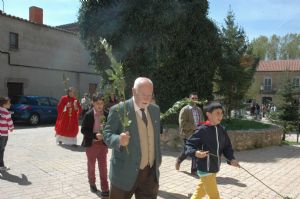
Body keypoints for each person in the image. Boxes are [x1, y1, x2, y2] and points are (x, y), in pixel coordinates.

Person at [103, 77, 162, 199]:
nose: (147, 98)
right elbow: (107, 134)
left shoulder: (155, 110)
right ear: (134, 91)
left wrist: (158, 161)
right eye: (143, 94)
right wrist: (118, 140)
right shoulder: (119, 110)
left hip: (150, 174)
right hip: (124, 173)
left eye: (149, 95)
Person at [185, 102, 240, 199]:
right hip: (205, 169)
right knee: (215, 196)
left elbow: (227, 147)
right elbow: (189, 144)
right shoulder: (202, 130)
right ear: (208, 115)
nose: (220, 115)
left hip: (214, 167)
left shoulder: (222, 129)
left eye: (221, 113)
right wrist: (196, 153)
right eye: (217, 113)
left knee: (200, 192)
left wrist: (231, 159)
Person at [81, 94, 109, 197]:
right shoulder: (88, 115)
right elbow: (83, 130)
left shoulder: (107, 114)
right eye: (98, 103)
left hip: (102, 145)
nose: (100, 106)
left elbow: (109, 128)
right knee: (91, 166)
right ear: (93, 103)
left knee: (103, 167)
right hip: (91, 144)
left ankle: (105, 188)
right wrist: (94, 135)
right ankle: (92, 183)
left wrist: (105, 134)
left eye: (102, 103)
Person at [175, 92, 204, 174]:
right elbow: (182, 123)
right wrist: (193, 126)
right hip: (187, 134)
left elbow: (202, 122)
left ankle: (181, 161)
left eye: (196, 98)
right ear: (189, 99)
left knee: (189, 151)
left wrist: (202, 129)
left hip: (198, 134)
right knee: (192, 151)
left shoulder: (199, 110)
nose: (195, 100)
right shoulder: (185, 110)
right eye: (193, 98)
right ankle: (192, 169)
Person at [0, 97, 14, 171]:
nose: (10, 104)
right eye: (9, 103)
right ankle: (1, 166)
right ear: (4, 104)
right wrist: (11, 128)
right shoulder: (6, 112)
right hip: (3, 134)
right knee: (1, 150)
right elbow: (10, 123)